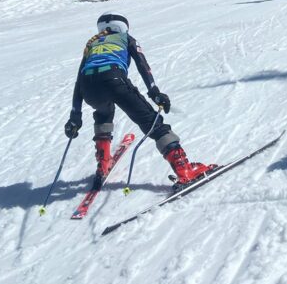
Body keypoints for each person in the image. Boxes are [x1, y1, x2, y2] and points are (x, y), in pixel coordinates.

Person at [64, 13, 213, 185]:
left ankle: (103, 163)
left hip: (89, 88)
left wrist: (75, 115)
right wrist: (154, 92)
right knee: (151, 122)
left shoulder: (92, 43)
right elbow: (143, 65)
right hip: (114, 79)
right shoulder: (126, 38)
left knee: (103, 113)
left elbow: (79, 79)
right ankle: (184, 170)